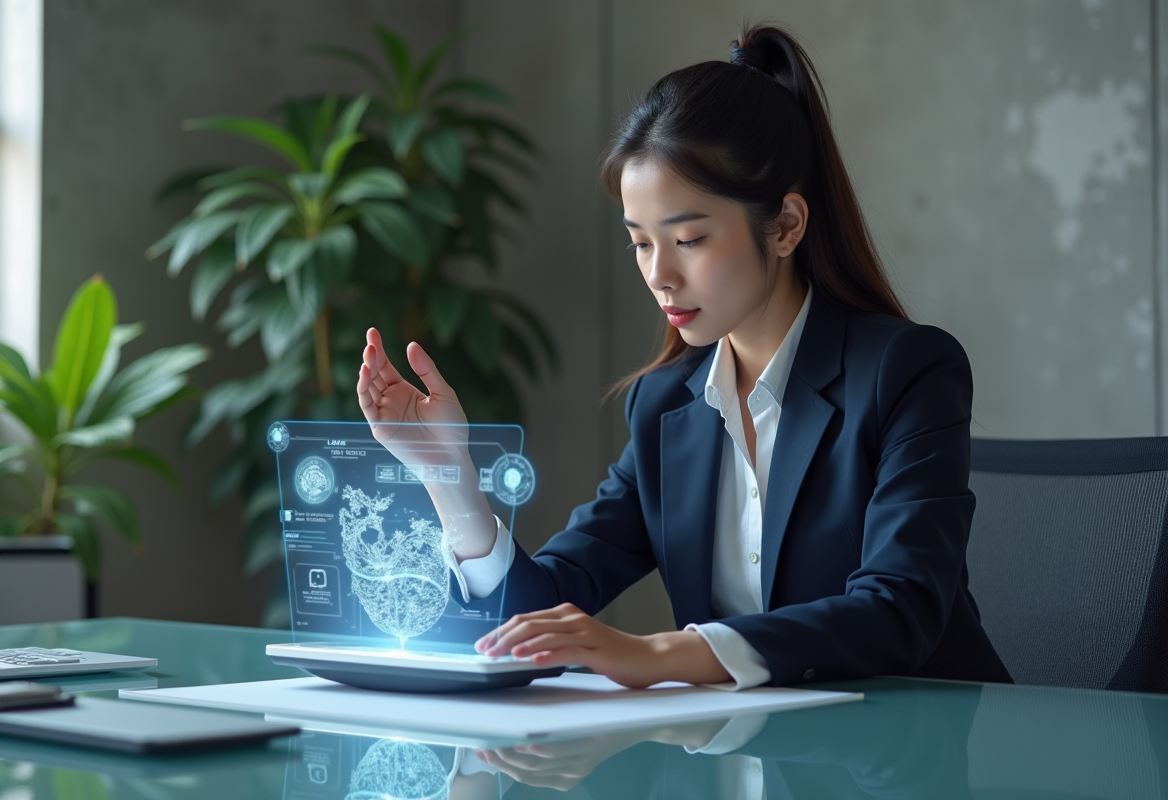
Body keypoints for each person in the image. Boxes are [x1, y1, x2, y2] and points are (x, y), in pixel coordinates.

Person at [356, 22, 1011, 690]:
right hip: (753, 743)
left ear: (786, 226)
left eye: (689, 240)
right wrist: (447, 475)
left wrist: (666, 654)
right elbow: (535, 614)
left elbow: (899, 610)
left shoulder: (904, 372)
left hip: (917, 740)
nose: (659, 275)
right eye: (640, 243)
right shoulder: (665, 404)